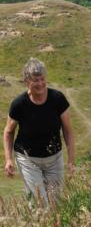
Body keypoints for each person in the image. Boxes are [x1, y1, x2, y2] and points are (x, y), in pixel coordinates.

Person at [3, 58, 75, 206]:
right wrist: (9, 159)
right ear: (26, 82)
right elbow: (8, 132)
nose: (40, 83)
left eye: (42, 79)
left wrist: (71, 160)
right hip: (28, 159)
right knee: (40, 203)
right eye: (36, 80)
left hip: (54, 158)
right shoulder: (19, 104)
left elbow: (68, 131)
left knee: (56, 204)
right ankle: (36, 226)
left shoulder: (58, 99)